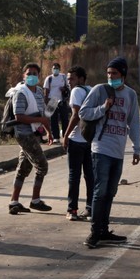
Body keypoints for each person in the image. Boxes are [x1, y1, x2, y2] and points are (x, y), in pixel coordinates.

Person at [78, 56, 140, 248]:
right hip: (101, 147)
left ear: (123, 74)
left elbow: (134, 122)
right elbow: (83, 112)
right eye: (108, 73)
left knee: (110, 192)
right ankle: (94, 232)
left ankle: (104, 230)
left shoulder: (130, 95)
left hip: (118, 150)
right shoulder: (100, 90)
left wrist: (136, 148)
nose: (111, 76)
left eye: (114, 73)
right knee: (100, 191)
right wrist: (103, 108)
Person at [7, 63, 54, 215]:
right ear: (24, 76)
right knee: (42, 166)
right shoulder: (20, 93)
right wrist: (41, 122)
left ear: (39, 76)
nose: (32, 76)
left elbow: (43, 116)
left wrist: (48, 131)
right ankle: (35, 200)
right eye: (29, 73)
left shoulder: (39, 92)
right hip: (24, 133)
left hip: (34, 133)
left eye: (35, 73)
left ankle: (14, 202)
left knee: (23, 167)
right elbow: (19, 116)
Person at [60, 66, 94, 221]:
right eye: (68, 78)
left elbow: (75, 116)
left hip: (76, 140)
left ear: (81, 78)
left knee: (74, 176)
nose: (69, 81)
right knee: (90, 176)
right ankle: (91, 208)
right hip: (89, 140)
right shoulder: (91, 90)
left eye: (72, 78)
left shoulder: (76, 91)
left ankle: (72, 209)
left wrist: (66, 135)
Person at [43, 61, 69, 140]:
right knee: (53, 120)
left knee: (64, 119)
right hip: (52, 100)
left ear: (59, 69)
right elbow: (46, 90)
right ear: (52, 69)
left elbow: (67, 87)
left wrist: (64, 89)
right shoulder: (49, 78)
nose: (55, 70)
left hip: (62, 100)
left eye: (57, 68)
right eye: (54, 68)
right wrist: (46, 101)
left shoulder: (63, 77)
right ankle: (56, 137)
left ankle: (65, 136)